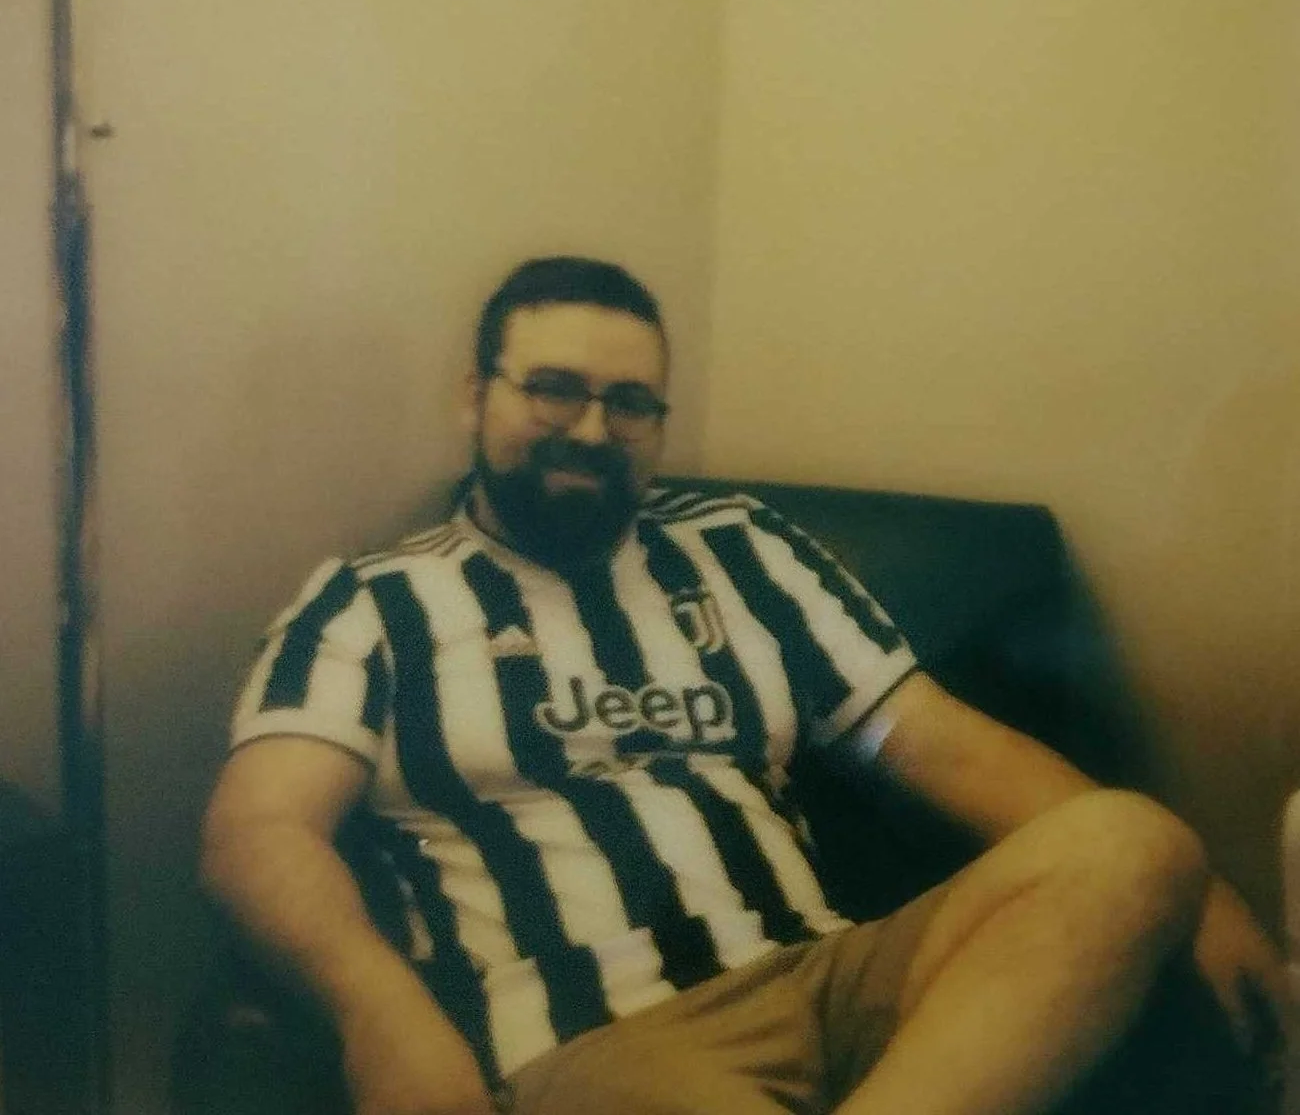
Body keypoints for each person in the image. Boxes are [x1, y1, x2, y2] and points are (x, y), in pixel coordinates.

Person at [201, 256, 1285, 1115]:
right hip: (598, 1041)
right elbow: (259, 832)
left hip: (830, 979)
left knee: (1131, 840)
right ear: (475, 396)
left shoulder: (740, 547)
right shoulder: (371, 602)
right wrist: (380, 1015)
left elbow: (937, 742)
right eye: (555, 389)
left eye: (632, 403)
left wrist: (1201, 897)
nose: (593, 429)